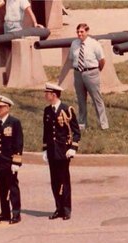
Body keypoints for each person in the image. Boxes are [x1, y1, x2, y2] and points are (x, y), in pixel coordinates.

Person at [42, 83, 80, 221]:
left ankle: (66, 209)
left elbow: (76, 132)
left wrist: (73, 148)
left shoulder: (66, 110)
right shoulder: (47, 110)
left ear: (54, 95)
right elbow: (46, 132)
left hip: (63, 151)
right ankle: (58, 208)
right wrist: (45, 149)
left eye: (47, 93)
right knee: (54, 181)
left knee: (64, 180)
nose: (45, 95)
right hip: (52, 151)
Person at [0, 95, 23, 224]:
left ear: (8, 107)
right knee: (2, 187)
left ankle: (16, 213)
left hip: (9, 161)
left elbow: (18, 143)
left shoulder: (14, 122)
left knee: (12, 187)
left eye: (1, 106)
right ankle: (4, 212)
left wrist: (16, 161)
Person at [69, 23, 108, 130]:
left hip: (91, 73)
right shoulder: (74, 44)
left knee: (97, 99)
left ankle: (103, 124)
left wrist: (96, 70)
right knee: (80, 100)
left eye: (82, 32)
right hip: (78, 73)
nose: (79, 34)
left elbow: (102, 60)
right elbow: (72, 58)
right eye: (78, 32)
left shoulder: (94, 44)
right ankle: (82, 124)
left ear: (87, 32)